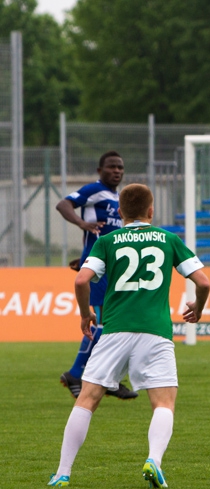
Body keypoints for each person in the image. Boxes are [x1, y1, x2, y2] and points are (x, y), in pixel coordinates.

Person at [48, 183, 210, 488]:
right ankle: (153, 460)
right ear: (151, 211)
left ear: (120, 213)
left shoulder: (108, 241)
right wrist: (198, 308)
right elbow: (203, 282)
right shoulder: (168, 239)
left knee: (87, 399)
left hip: (114, 330)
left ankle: (62, 473)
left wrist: (86, 314)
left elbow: (82, 280)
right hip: (156, 333)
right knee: (163, 402)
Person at [55, 151, 138, 400]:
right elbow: (63, 204)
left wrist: (83, 256)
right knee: (105, 324)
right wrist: (82, 225)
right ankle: (87, 375)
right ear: (99, 169)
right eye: (112, 167)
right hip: (99, 267)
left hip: (110, 267)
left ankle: (98, 376)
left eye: (121, 167)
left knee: (114, 324)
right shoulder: (95, 190)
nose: (117, 171)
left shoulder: (115, 197)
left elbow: (103, 235)